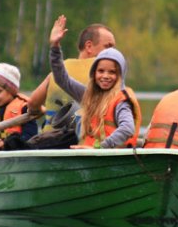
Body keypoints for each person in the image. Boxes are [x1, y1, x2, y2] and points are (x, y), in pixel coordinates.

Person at [48, 15, 141, 148]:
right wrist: (55, 46)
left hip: (106, 154)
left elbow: (127, 128)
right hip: (92, 153)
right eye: (101, 71)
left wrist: (100, 148)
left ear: (120, 75)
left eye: (112, 72)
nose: (105, 76)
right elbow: (62, 79)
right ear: (94, 73)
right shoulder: (88, 95)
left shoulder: (121, 101)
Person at [28, 22, 116, 131]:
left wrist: (41, 110)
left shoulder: (57, 72)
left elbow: (32, 104)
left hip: (48, 138)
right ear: (89, 46)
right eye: (108, 47)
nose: (113, 52)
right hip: (82, 139)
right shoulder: (107, 76)